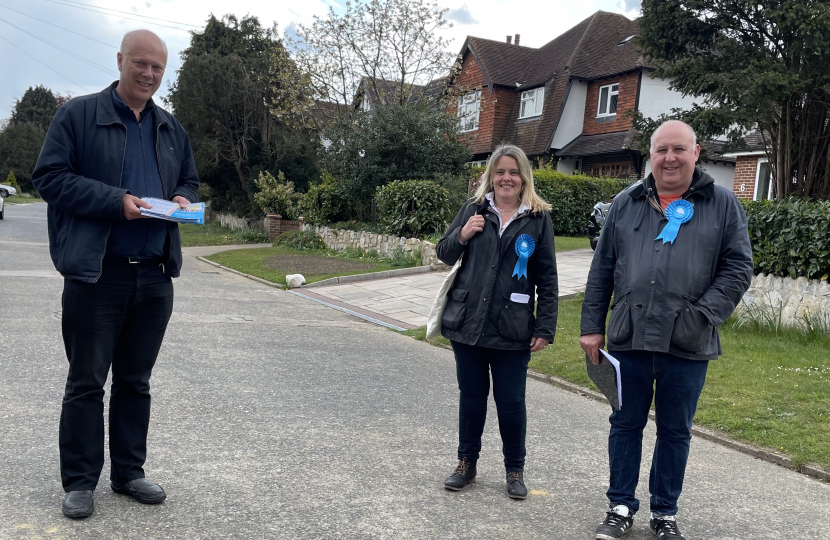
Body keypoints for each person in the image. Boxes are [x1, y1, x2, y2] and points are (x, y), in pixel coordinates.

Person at [32, 29, 200, 519]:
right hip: (96, 274)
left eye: (157, 68)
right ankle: (80, 482)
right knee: (86, 381)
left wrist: (185, 198)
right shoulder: (79, 115)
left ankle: (128, 474)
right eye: (140, 64)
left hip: (153, 275)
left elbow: (188, 177)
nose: (148, 74)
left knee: (136, 381)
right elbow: (49, 178)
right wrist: (115, 203)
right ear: (121, 60)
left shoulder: (171, 128)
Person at [580, 121, 753, 540]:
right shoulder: (625, 203)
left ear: (697, 153)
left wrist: (702, 314)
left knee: (675, 431)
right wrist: (591, 328)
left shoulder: (723, 204)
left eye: (679, 149)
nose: (670, 158)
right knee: (624, 424)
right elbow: (602, 269)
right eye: (661, 150)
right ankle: (620, 506)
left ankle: (664, 513)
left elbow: (738, 268)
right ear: (650, 156)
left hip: (688, 341)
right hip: (629, 337)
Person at [435, 144, 558, 500]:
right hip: (468, 323)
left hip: (513, 327)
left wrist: (545, 327)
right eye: (500, 172)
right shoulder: (473, 210)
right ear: (491, 176)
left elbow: (547, 278)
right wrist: (463, 234)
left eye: (513, 172)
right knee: (471, 397)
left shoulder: (538, 218)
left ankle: (514, 470)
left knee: (511, 401)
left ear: (524, 178)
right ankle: (466, 464)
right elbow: (444, 254)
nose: (507, 178)